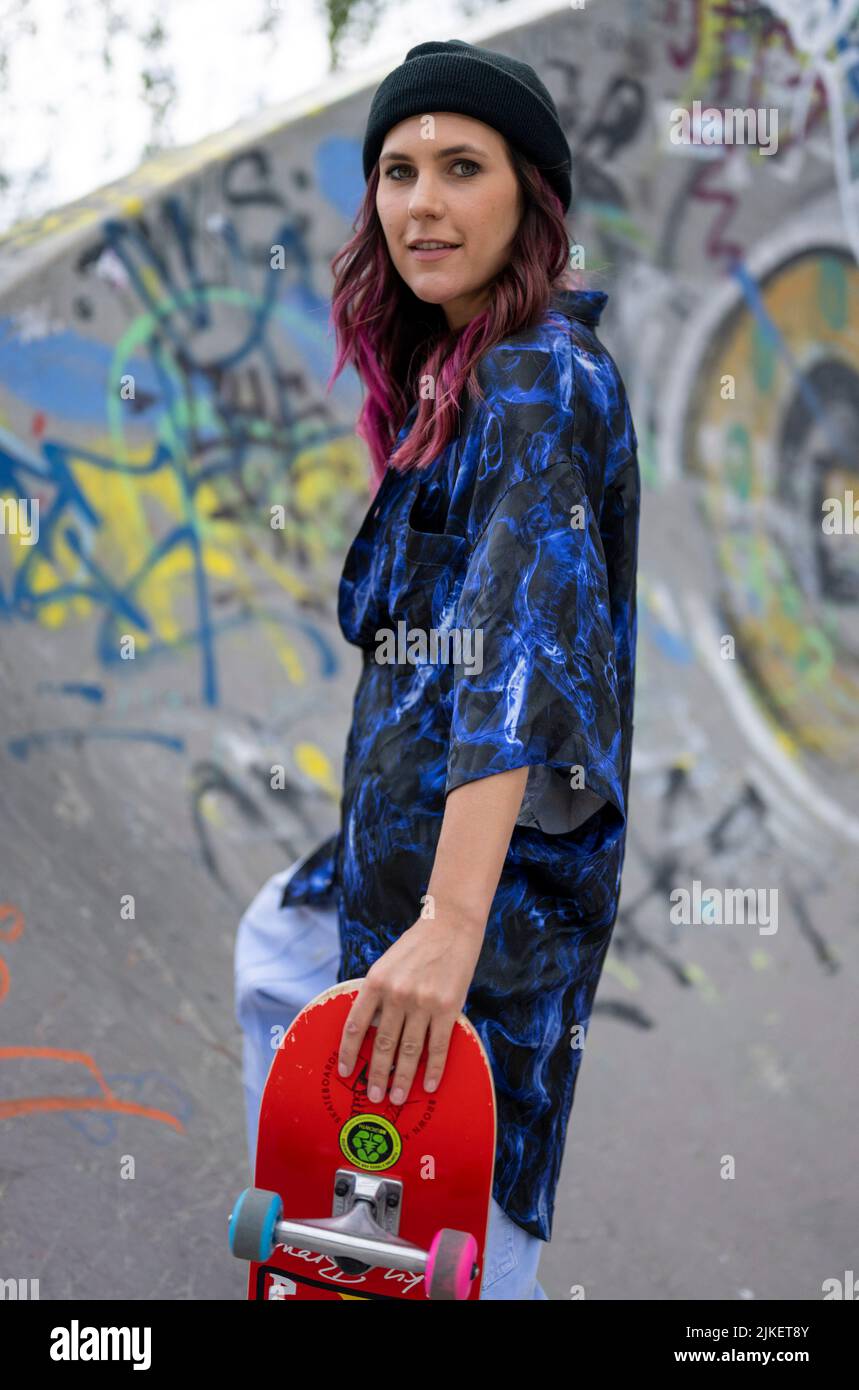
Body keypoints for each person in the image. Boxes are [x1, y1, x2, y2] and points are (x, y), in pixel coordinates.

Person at [235, 38, 640, 1301]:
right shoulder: (458, 381)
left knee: (456, 1183)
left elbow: (523, 653)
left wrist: (454, 920)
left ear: (530, 197)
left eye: (462, 168)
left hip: (490, 901)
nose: (421, 202)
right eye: (398, 172)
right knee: (279, 950)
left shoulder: (534, 379)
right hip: (391, 865)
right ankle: (318, 1232)